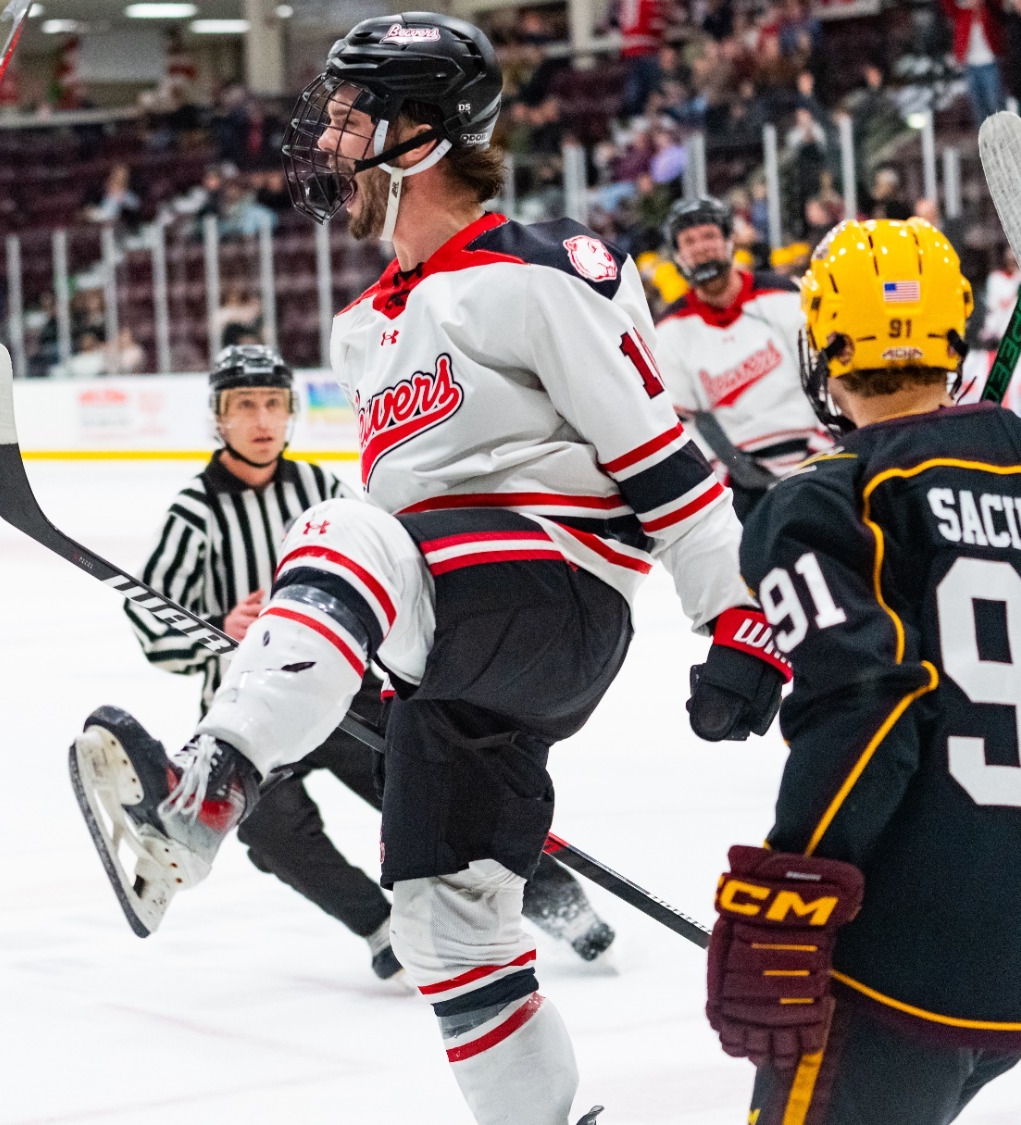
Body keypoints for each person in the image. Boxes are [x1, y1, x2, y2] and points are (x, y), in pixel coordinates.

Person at [69, 14, 790, 1124]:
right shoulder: (366, 329)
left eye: (349, 121)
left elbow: (668, 468)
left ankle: (206, 793)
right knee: (444, 920)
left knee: (345, 526)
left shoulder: (540, 271)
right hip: (455, 659)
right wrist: (324, 641)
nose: (327, 146)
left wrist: (738, 623)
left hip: (551, 594)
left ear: (419, 134)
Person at [705, 218, 1021, 1125]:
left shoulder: (826, 495)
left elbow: (867, 701)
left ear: (820, 349)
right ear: (955, 338)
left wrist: (794, 891)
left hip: (895, 947)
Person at [127, 345, 617, 983]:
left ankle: (562, 906)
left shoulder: (322, 490)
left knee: (442, 789)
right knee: (271, 828)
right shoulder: (194, 511)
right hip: (250, 711)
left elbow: (389, 563)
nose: (261, 420)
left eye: (274, 404)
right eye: (244, 405)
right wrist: (219, 628)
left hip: (345, 691)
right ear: (219, 418)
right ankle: (378, 927)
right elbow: (149, 619)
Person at [651, 196, 834, 519]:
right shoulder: (668, 331)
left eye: (708, 236)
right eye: (689, 241)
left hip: (820, 455)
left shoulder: (783, 296)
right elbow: (683, 424)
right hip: (742, 480)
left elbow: (827, 376)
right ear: (678, 255)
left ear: (729, 241)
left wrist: (824, 448)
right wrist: (731, 478)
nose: (700, 248)